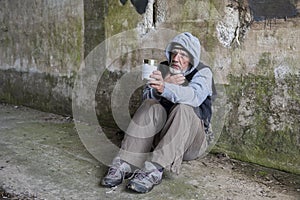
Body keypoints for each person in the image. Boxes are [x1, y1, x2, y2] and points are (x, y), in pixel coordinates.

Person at [101, 32, 215, 193]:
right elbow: (146, 96)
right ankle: (125, 162)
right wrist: (162, 85)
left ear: (192, 58)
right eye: (174, 52)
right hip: (160, 138)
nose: (176, 58)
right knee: (150, 103)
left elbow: (194, 97)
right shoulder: (163, 68)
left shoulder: (203, 73)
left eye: (183, 54)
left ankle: (153, 169)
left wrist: (165, 88)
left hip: (189, 143)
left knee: (184, 107)